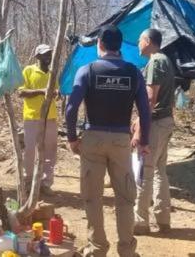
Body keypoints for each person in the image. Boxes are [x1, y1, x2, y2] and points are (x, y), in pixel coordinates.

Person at [66, 25, 150, 257]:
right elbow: (144, 110)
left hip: (92, 138)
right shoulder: (134, 72)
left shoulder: (88, 70)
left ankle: (97, 249)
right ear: (119, 46)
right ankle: (127, 250)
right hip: (121, 140)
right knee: (125, 197)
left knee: (92, 197)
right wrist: (144, 140)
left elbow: (71, 108)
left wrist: (72, 137)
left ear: (99, 44)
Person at [132, 28, 176, 235]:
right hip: (166, 121)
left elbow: (150, 99)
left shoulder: (156, 61)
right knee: (160, 171)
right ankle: (163, 219)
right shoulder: (165, 60)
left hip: (157, 123)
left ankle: (140, 222)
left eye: (140, 40)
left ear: (148, 41)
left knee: (145, 172)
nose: (138, 44)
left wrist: (141, 125)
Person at [18, 44, 58, 196]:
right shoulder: (28, 70)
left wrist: (57, 94)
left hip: (51, 117)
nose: (48, 57)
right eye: (44, 54)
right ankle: (28, 183)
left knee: (50, 151)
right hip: (32, 117)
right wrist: (41, 92)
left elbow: (57, 91)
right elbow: (21, 92)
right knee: (30, 151)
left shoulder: (53, 72)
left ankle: (46, 183)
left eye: (49, 54)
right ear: (37, 56)